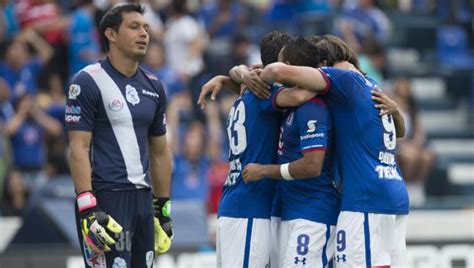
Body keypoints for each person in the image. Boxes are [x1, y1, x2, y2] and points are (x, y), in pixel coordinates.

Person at [258, 35, 409, 267]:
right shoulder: (370, 84)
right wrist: (397, 111)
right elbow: (400, 132)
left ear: (325, 64)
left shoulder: (343, 79)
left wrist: (256, 76)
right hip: (393, 191)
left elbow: (279, 72)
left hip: (365, 197)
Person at [65, 4, 173, 267]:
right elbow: (78, 149)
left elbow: (160, 152)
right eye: (134, 27)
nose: (144, 34)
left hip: (143, 201)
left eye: (146, 28)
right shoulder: (87, 81)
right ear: (111, 34)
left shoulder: (154, 86)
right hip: (106, 199)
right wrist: (88, 208)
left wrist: (163, 209)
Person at [242, 37, 341, 268]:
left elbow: (311, 166)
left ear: (286, 66)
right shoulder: (291, 103)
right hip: (291, 211)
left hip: (314, 213)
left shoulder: (313, 108)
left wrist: (264, 171)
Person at [198, 31, 292, 268]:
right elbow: (308, 92)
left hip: (238, 202)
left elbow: (239, 72)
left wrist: (234, 74)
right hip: (250, 207)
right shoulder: (269, 93)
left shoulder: (249, 91)